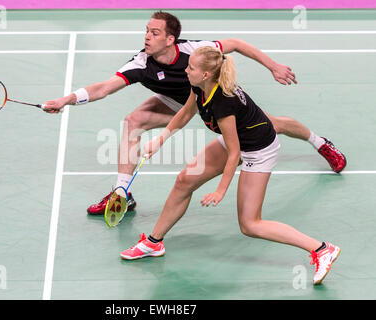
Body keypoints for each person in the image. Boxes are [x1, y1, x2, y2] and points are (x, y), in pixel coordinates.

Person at [43, 11, 346, 216]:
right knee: (132, 122)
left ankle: (320, 142)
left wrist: (273, 66)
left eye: (154, 32)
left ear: (170, 40)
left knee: (274, 125)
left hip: (215, 97)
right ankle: (123, 193)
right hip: (179, 103)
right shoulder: (141, 63)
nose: (147, 36)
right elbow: (103, 88)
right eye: (146, 31)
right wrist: (66, 99)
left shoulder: (195, 52)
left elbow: (236, 44)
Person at [120, 46, 341, 285]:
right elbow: (185, 113)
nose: (186, 69)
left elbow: (235, 153)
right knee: (185, 180)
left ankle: (321, 249)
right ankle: (154, 242)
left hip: (258, 149)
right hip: (238, 139)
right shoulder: (199, 86)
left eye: (191, 67)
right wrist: (160, 139)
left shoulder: (222, 102)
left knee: (250, 224)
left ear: (205, 74)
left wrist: (221, 190)